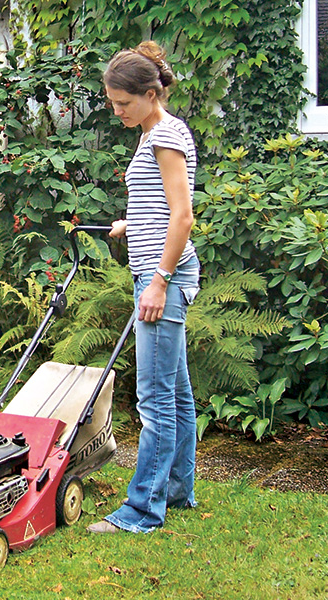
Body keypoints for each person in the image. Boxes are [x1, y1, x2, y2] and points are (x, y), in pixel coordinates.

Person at [87, 42, 201, 534]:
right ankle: (177, 490)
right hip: (161, 271)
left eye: (122, 103)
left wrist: (158, 282)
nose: (116, 111)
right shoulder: (154, 131)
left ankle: (141, 511)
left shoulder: (164, 136)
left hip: (164, 279)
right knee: (175, 392)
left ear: (151, 94)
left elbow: (183, 216)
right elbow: (160, 207)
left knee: (154, 399)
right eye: (112, 102)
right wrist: (130, 223)